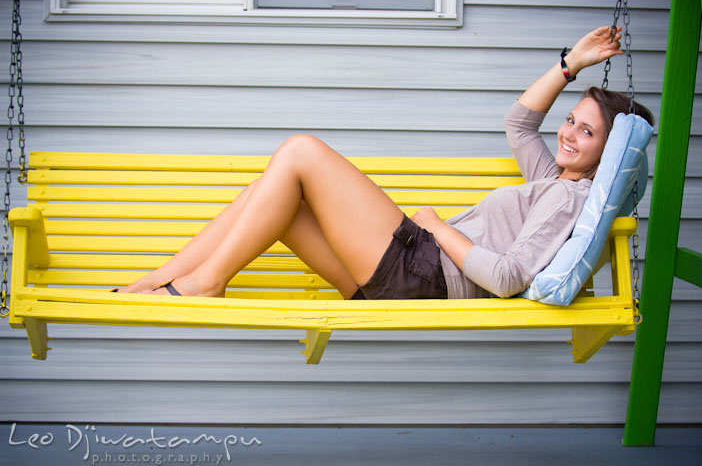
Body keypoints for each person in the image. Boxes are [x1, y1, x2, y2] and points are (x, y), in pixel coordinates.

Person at [117, 26, 653, 300]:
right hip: (411, 272)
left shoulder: (569, 197)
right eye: (570, 120)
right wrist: (571, 64)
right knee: (267, 191)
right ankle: (162, 281)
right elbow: (519, 123)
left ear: (607, 153)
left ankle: (203, 283)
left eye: (588, 131)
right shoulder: (553, 178)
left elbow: (510, 276)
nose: (568, 134)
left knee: (301, 152)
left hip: (425, 274)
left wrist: (438, 227)